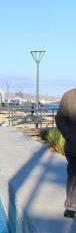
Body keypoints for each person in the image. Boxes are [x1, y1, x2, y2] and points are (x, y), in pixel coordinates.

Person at [55, 88, 76, 218]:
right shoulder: (69, 96)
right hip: (74, 147)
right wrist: (69, 135)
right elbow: (60, 119)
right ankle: (71, 207)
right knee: (73, 175)